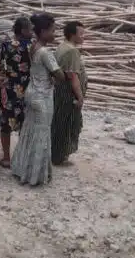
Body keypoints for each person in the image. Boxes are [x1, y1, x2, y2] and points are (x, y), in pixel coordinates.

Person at [11, 13, 65, 186]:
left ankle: (21, 169)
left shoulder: (33, 47)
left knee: (29, 132)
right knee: (41, 134)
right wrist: (65, 73)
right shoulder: (45, 52)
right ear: (42, 32)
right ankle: (35, 176)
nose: (54, 34)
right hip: (42, 97)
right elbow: (60, 75)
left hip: (32, 92)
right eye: (52, 31)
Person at [0, 17, 33, 168]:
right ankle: (22, 157)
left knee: (6, 124)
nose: (32, 32)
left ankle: (7, 157)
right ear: (23, 30)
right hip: (28, 89)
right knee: (25, 124)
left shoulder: (5, 46)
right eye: (30, 29)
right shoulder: (33, 47)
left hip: (8, 89)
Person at [51, 21, 87, 165]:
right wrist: (80, 97)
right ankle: (60, 156)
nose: (83, 37)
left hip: (60, 91)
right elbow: (73, 76)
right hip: (68, 92)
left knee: (59, 122)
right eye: (81, 34)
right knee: (68, 124)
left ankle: (56, 153)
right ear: (73, 35)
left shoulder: (62, 46)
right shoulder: (72, 51)